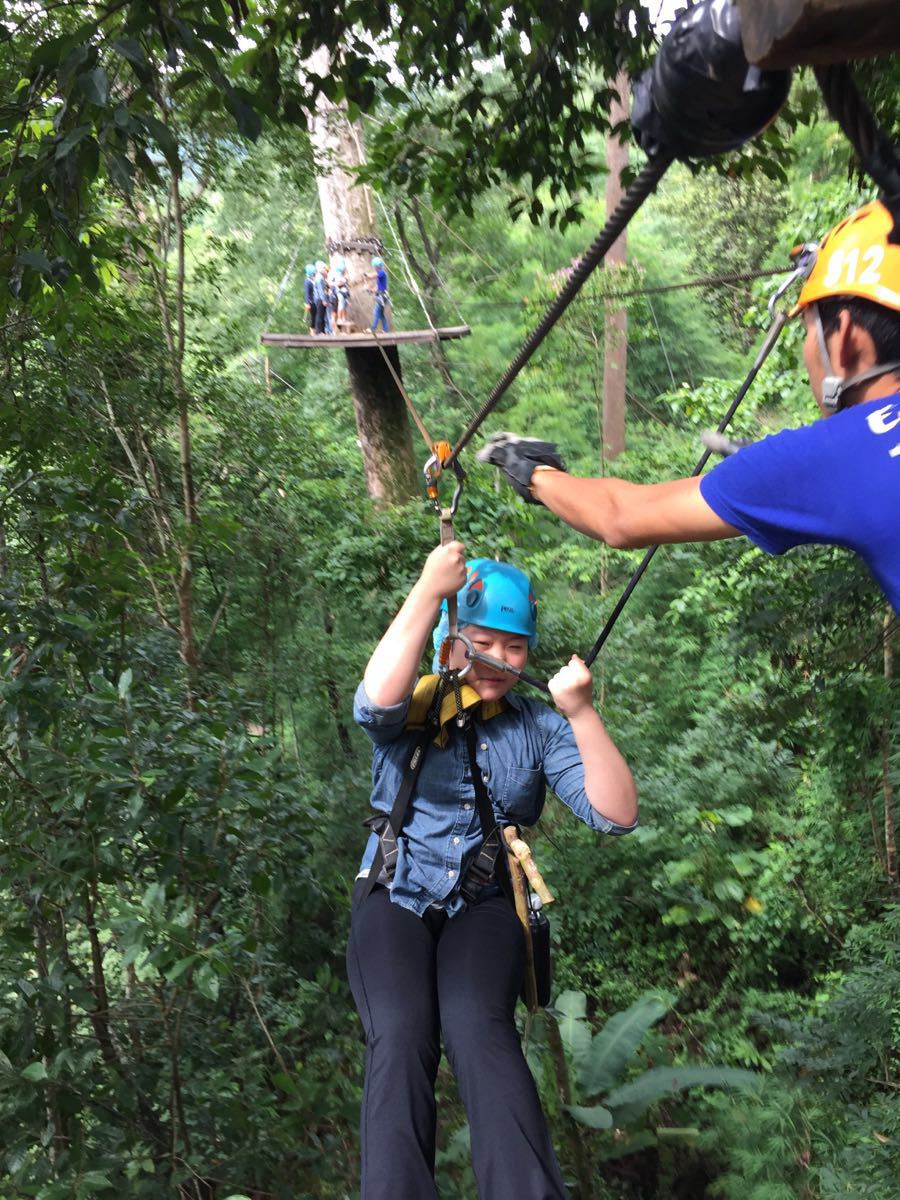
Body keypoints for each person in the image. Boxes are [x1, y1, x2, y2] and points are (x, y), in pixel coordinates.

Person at [347, 543, 637, 1200]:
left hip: (484, 904)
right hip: (395, 893)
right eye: (482, 642)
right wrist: (427, 591)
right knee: (399, 1029)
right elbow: (373, 702)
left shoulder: (533, 727)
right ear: (451, 641)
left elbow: (614, 815)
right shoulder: (415, 705)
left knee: (479, 1028)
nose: (500, 662)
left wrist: (582, 714)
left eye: (514, 648)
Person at [479, 199, 900, 613]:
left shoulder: (834, 455)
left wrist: (530, 471)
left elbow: (620, 517)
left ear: (844, 337)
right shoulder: (837, 456)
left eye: (808, 329)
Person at [367, 255, 391, 333]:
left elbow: (372, 276)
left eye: (374, 266)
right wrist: (370, 290)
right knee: (381, 314)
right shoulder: (380, 274)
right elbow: (378, 287)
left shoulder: (381, 272)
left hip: (382, 296)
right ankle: (386, 329)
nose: (374, 267)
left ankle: (372, 329)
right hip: (380, 295)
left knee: (376, 312)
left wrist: (366, 275)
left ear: (377, 266)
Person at [303, 263, 316, 335]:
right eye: (313, 272)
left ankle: (315, 330)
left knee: (316, 316)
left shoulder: (313, 280)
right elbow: (307, 293)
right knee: (313, 316)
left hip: (315, 300)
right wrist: (307, 303)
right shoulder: (307, 281)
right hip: (311, 301)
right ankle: (312, 332)